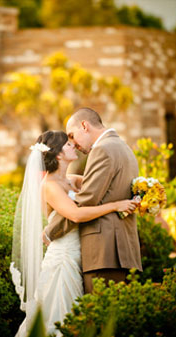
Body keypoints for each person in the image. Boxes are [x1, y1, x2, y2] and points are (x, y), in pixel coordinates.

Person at [8, 130, 137, 337]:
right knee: (61, 316)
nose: (74, 146)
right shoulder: (49, 186)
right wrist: (116, 206)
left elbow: (103, 184)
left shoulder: (71, 180)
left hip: (81, 254)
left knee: (77, 318)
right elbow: (76, 215)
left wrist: (139, 190)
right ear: (58, 155)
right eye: (69, 145)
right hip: (63, 258)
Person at [43, 108, 142, 294]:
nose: (74, 145)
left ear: (84, 126)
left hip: (104, 251)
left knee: (98, 317)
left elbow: (85, 202)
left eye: (72, 136)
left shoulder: (102, 150)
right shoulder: (124, 148)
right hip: (123, 249)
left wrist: (50, 232)